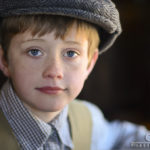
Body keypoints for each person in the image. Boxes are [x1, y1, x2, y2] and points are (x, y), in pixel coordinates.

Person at [0, 0, 149, 150]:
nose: (54, 71)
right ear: (4, 60)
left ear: (89, 64)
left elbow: (123, 137)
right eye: (34, 51)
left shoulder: (88, 120)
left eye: (71, 53)